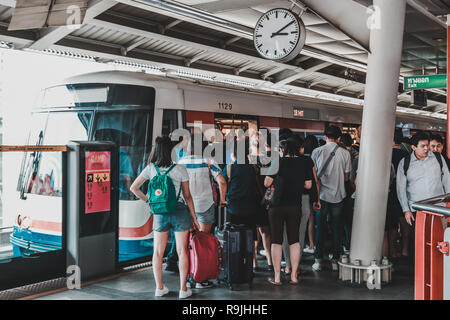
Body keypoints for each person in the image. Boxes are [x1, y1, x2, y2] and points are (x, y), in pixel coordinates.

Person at [130, 136, 200, 299]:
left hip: (160, 213)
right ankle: (183, 289)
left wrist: (150, 201)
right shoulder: (180, 169)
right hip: (180, 211)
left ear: (156, 150)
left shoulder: (150, 169)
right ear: (170, 151)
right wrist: (194, 218)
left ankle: (159, 287)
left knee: (158, 252)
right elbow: (188, 196)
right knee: (182, 251)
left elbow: (134, 188)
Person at [178, 133, 228, 288]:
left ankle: (188, 276)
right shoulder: (208, 161)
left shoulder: (181, 162)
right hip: (205, 206)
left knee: (186, 244)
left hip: (186, 207)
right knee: (202, 242)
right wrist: (222, 199)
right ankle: (199, 278)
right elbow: (222, 181)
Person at [264, 139, 313, 285]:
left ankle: (277, 277)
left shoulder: (278, 162)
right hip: (295, 205)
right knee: (294, 240)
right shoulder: (303, 163)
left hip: (277, 207)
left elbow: (267, 182)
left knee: (277, 240)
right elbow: (309, 185)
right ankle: (294, 277)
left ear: (282, 150)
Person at [396, 132, 450, 259]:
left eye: (427, 145)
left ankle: (438, 272)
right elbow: (401, 188)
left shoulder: (438, 158)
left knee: (439, 240)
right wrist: (406, 210)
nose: (427, 149)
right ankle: (418, 272)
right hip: (418, 211)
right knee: (419, 242)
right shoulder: (405, 163)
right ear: (413, 147)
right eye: (423, 146)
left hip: (439, 209)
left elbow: (447, 180)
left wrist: (448, 203)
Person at [311, 125, 352, 272]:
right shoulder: (345, 153)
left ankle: (318, 260)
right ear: (339, 138)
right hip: (338, 195)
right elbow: (347, 177)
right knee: (337, 228)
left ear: (324, 136)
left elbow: (313, 175)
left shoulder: (317, 152)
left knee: (320, 228)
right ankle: (335, 259)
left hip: (321, 195)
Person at [303, 135, 320, 255]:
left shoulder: (301, 159)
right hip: (313, 190)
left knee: (303, 218)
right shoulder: (316, 156)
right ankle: (312, 243)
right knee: (311, 218)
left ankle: (303, 243)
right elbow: (316, 179)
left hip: (303, 190)